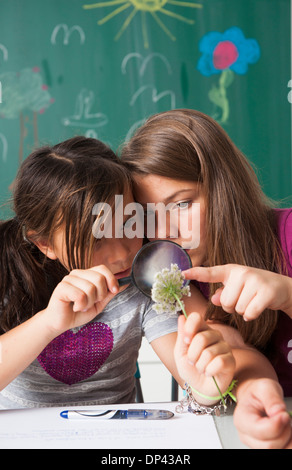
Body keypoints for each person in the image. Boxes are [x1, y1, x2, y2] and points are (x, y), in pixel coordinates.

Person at [0, 135, 234, 409]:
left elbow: (193, 379)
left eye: (128, 225)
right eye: (96, 239)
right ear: (45, 243)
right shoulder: (9, 275)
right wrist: (49, 324)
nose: (122, 253)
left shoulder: (146, 281)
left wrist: (206, 390)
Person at [120, 108, 292, 448]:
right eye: (150, 216)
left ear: (224, 188)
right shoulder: (173, 279)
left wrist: (287, 294)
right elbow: (231, 354)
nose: (167, 232)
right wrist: (251, 391)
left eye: (182, 204)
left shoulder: (287, 234)